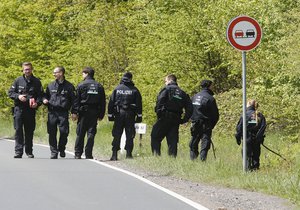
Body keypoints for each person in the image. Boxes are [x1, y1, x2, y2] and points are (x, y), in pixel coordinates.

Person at [151, 74, 193, 157]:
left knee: (155, 136)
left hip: (164, 117)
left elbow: (160, 102)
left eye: (165, 81)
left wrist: (159, 114)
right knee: (172, 141)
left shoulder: (166, 89)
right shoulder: (182, 93)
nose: (165, 83)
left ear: (170, 81)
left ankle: (156, 157)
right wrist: (184, 119)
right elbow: (190, 108)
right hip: (176, 119)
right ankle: (172, 159)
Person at [8, 62, 43, 158]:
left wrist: (37, 103)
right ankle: (18, 152)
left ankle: (29, 151)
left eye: (29, 69)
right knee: (18, 131)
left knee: (29, 131)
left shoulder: (36, 82)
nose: (27, 71)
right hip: (19, 109)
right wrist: (18, 96)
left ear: (32, 69)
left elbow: (40, 95)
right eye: (25, 69)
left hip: (30, 110)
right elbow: (10, 92)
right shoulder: (18, 80)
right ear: (22, 70)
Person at [72, 67, 106, 159]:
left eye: (83, 73)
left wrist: (74, 112)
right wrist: (101, 114)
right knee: (91, 133)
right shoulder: (99, 86)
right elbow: (103, 102)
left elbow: (76, 100)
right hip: (94, 112)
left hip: (83, 112)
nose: (82, 75)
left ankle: (78, 153)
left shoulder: (81, 85)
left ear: (86, 73)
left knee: (80, 133)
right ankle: (88, 153)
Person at [108, 72, 142, 160]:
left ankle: (114, 154)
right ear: (131, 78)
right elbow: (139, 104)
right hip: (130, 115)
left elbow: (111, 102)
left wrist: (110, 115)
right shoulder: (134, 90)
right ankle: (129, 154)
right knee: (130, 134)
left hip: (119, 114)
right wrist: (139, 116)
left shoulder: (117, 89)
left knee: (117, 134)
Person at [43, 66, 76, 159]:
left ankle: (61, 148)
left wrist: (74, 112)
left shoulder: (69, 86)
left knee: (64, 132)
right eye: (53, 72)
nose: (54, 74)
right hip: (52, 112)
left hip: (63, 113)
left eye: (55, 72)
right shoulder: (50, 85)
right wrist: (44, 100)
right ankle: (54, 152)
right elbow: (45, 96)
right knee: (52, 133)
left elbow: (74, 101)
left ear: (61, 73)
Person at [189, 80, 219, 161]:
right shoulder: (210, 98)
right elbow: (215, 115)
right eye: (212, 86)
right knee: (205, 143)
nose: (213, 87)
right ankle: (202, 160)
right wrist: (211, 125)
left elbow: (189, 110)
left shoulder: (194, 97)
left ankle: (193, 160)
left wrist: (191, 119)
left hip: (195, 123)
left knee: (193, 142)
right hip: (206, 124)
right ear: (209, 86)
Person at [235, 99, 267, 171]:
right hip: (256, 139)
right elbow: (263, 127)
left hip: (247, 138)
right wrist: (259, 137)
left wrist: (238, 138)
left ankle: (247, 170)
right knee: (256, 155)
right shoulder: (260, 115)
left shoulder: (244, 114)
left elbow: (239, 128)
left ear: (249, 104)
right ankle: (255, 169)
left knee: (246, 155)